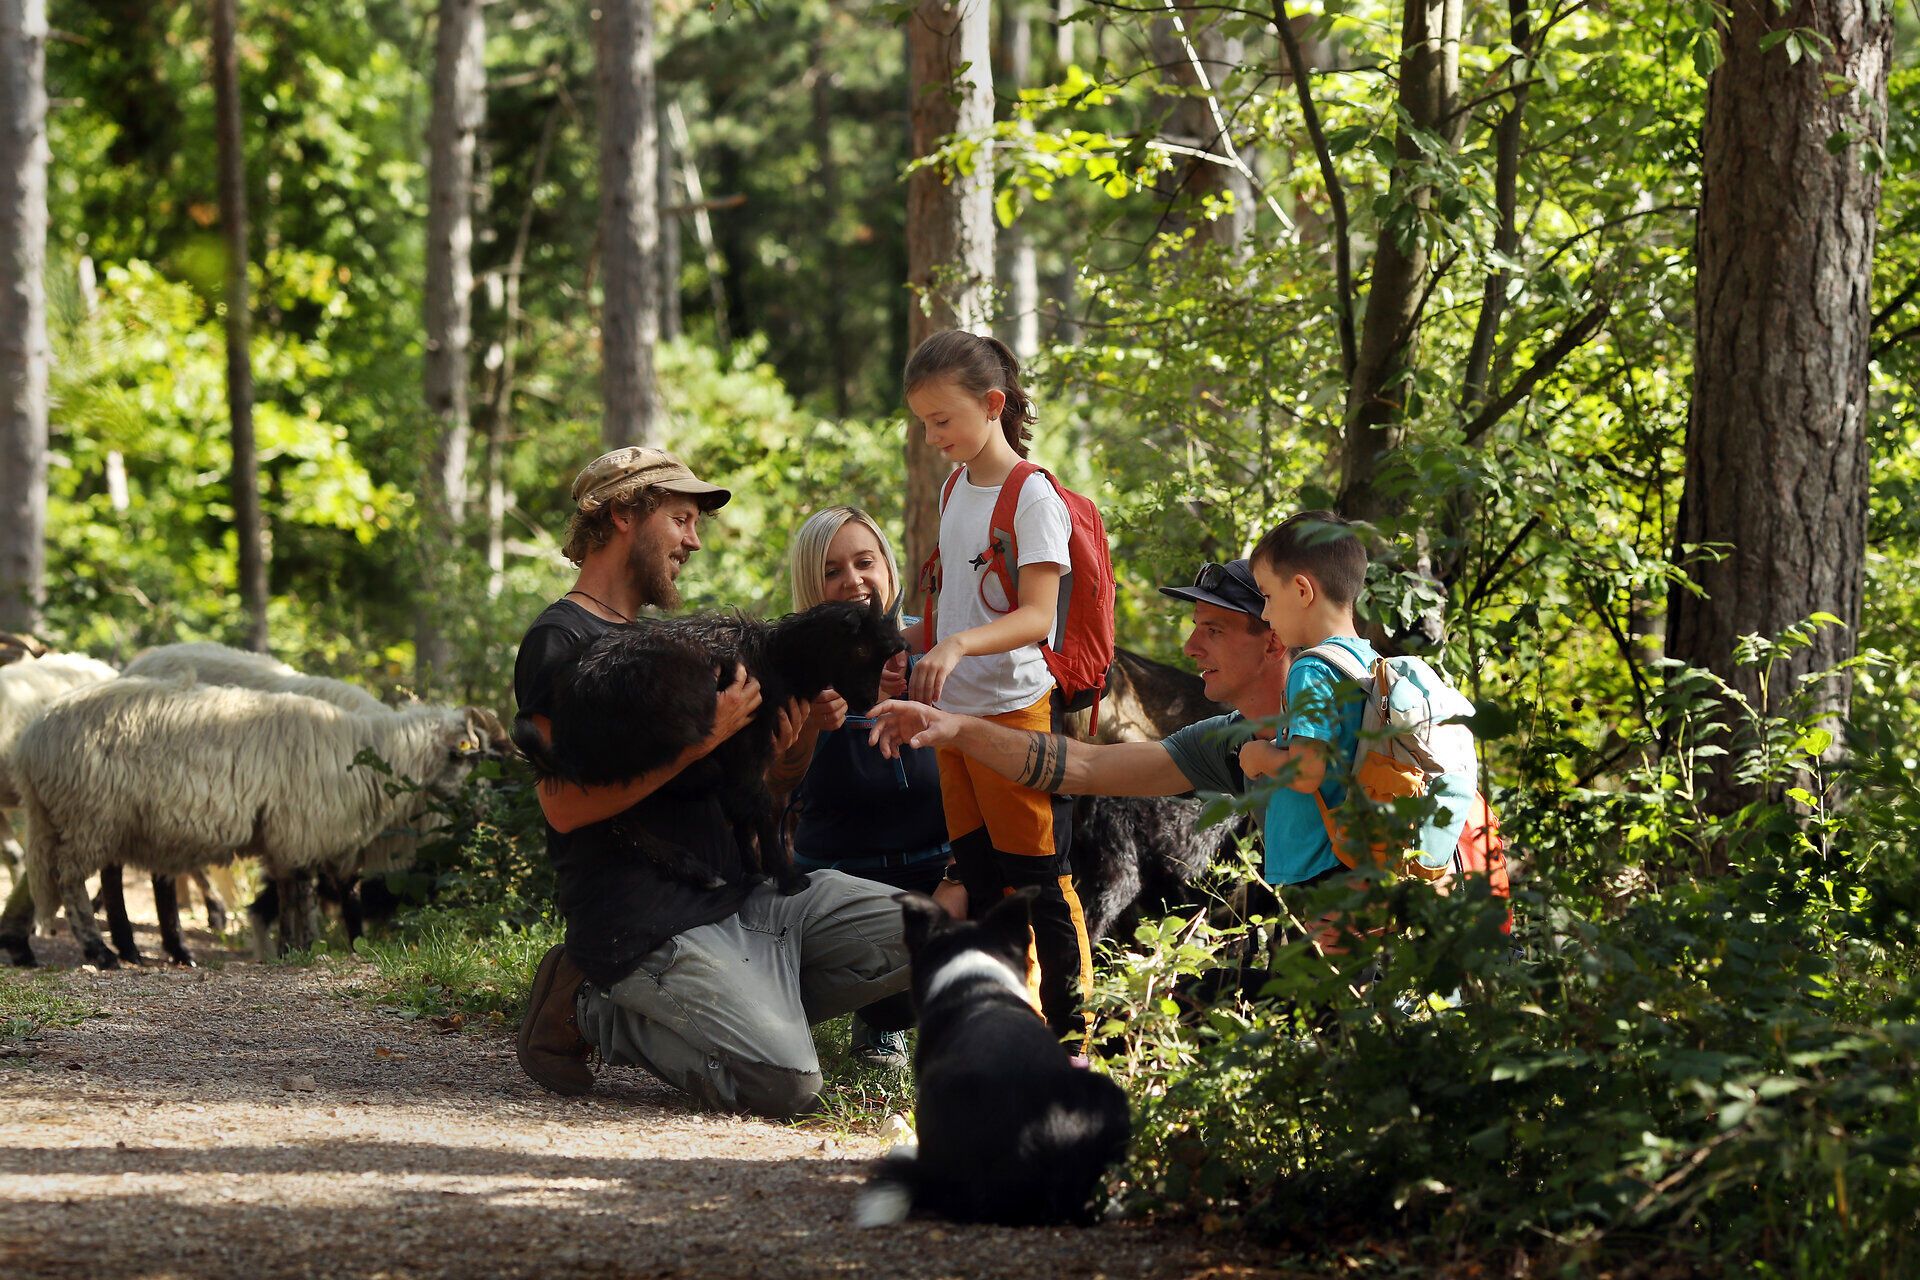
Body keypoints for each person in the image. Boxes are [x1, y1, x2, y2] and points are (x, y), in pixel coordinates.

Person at [513, 446, 914, 1118]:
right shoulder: (560, 641)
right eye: (680, 520)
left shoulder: (661, 638)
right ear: (621, 516)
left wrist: (796, 736)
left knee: (926, 927)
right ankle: (592, 1006)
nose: (693, 541)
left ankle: (746, 1006)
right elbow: (562, 806)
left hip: (742, 897)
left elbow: (752, 787)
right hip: (649, 918)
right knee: (785, 1086)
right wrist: (709, 736)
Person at [899, 330, 1092, 1043]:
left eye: (942, 420)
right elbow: (958, 601)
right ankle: (993, 1023)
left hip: (1015, 711)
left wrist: (955, 645)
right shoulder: (955, 486)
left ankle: (1077, 1040)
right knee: (979, 875)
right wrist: (921, 645)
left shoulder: (1033, 496)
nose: (932, 436)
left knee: (1041, 880)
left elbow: (1037, 616)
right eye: (923, 423)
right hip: (954, 713)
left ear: (992, 404)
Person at [770, 506, 949, 1069]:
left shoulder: (939, 655)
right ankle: (880, 1018)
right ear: (809, 583)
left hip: (941, 870)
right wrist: (805, 724)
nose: (852, 581)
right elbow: (770, 789)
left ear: (889, 569)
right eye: (831, 571)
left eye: (864, 562)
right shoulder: (788, 668)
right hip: (839, 884)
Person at [1236, 511, 1380, 888]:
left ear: (1302, 590)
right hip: (1358, 862)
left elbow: (1305, 772)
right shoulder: (1368, 662)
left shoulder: (1312, 669)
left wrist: (1260, 757)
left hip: (1324, 867)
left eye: (1267, 597)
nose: (1265, 614)